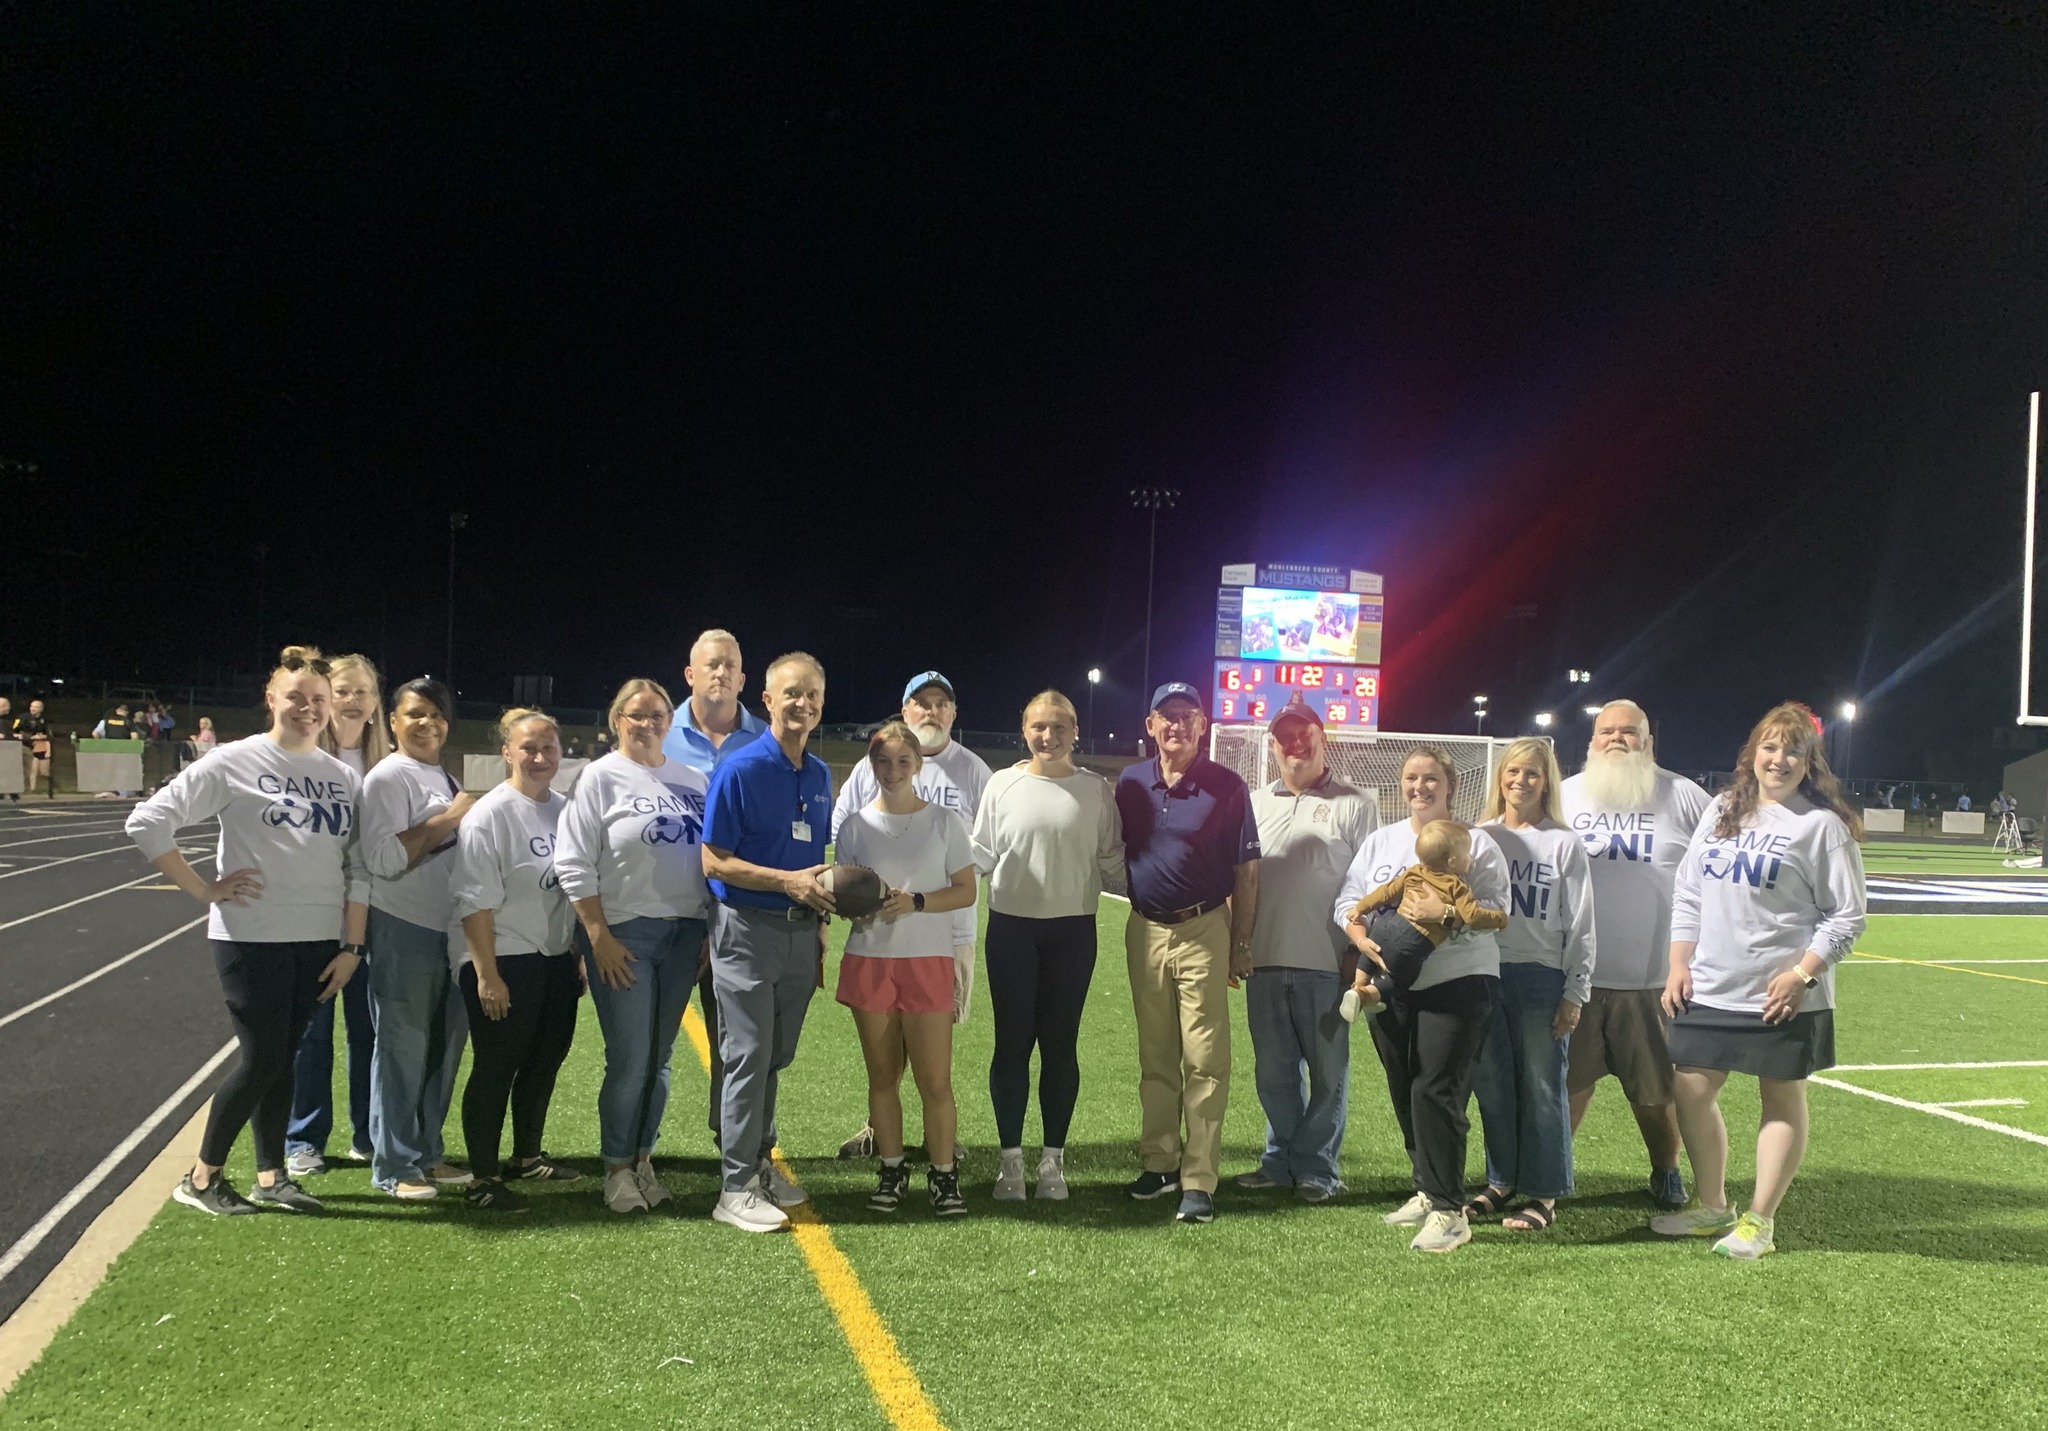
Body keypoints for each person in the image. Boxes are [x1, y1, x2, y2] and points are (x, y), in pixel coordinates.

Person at [124, 645, 368, 1215]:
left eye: (318, 701)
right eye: (295, 698)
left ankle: (270, 1175)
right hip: (250, 936)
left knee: (284, 1057)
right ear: (270, 698)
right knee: (261, 1059)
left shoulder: (339, 776)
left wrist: (352, 945)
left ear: (330, 707)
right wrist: (205, 889)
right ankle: (202, 1178)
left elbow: (358, 865)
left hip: (316, 940)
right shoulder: (233, 760)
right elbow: (148, 820)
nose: (307, 709)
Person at [1654, 703, 1867, 1259]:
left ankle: (1760, 1221)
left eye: (1792, 750)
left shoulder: (1821, 827)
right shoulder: (1723, 809)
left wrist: (1801, 974)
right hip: (1712, 982)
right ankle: (1711, 1205)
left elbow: (1847, 916)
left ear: (1808, 762)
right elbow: (1690, 891)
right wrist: (1679, 963)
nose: (1779, 759)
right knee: (1691, 1088)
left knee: (1781, 1096)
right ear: (1752, 754)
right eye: (1770, 747)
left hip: (1783, 991)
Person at [1332, 745, 1509, 1253]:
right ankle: (1427, 1189)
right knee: (1405, 1087)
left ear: (1450, 785)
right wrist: (1358, 934)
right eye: (1411, 778)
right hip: (1391, 983)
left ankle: (1451, 1210)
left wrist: (1444, 918)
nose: (1420, 787)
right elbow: (1352, 899)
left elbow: (1498, 909)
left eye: (1431, 778)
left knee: (1437, 1091)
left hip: (1458, 982)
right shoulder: (1382, 841)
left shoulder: (1477, 843)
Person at [555, 678, 712, 1214]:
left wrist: (708, 931)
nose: (648, 724)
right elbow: (572, 861)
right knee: (629, 1057)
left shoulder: (692, 778)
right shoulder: (598, 778)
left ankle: (643, 1160)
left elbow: (708, 861)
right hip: (625, 933)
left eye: (658, 715)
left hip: (684, 932)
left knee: (661, 1058)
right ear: (616, 719)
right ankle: (616, 1169)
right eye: (636, 715)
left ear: (672, 721)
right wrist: (597, 934)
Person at [1114, 681, 1260, 1226]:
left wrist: (1241, 942)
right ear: (1150, 726)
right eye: (1166, 716)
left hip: (1203, 928)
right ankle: (1160, 1162)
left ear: (1202, 726)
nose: (1176, 725)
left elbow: (1248, 871)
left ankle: (1199, 1178)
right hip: (1144, 929)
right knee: (1155, 1056)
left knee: (1205, 1060)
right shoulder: (1130, 782)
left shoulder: (1227, 785)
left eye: (1187, 716)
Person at [701, 652, 836, 1234]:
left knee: (776, 1053)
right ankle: (734, 1185)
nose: (800, 704)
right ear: (767, 700)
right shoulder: (740, 769)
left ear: (821, 703)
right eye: (790, 694)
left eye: (810, 695)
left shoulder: (822, 773)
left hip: (801, 934)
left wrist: (822, 929)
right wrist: (786, 883)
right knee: (748, 1053)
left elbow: (814, 860)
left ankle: (759, 1159)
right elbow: (713, 859)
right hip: (748, 930)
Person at [832, 670, 993, 1160]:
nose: (931, 711)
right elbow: (845, 830)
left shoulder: (973, 770)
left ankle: (937, 1139)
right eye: (920, 703)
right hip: (877, 933)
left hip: (947, 930)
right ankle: (880, 1132)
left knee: (934, 1045)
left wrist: (939, 877)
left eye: (941, 703)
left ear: (953, 713)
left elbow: (988, 844)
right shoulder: (870, 768)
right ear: (905, 711)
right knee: (883, 1048)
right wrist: (862, 894)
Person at [1558, 699, 1712, 1211]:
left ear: (1649, 741)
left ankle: (1666, 1170)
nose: (1617, 739)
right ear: (1592, 741)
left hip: (1652, 980)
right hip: (1575, 978)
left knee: (1654, 1093)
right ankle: (1549, 1178)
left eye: (1630, 731)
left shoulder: (1684, 796)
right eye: (1607, 732)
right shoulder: (1566, 795)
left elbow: (1718, 874)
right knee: (1568, 1089)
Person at [972, 690, 1124, 1202]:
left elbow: (1114, 863)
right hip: (1012, 929)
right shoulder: (1002, 785)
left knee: (1061, 1047)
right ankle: (1010, 1162)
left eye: (1059, 727)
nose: (1049, 736)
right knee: (1011, 1045)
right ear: (1024, 730)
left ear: (1075, 731)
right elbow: (978, 857)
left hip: (1073, 933)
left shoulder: (1096, 790)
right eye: (1039, 726)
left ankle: (1052, 1163)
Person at [1233, 700, 1378, 1204]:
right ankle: (1280, 1161)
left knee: (1327, 1074)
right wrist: (1238, 944)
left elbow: (1370, 888)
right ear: (1273, 746)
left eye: (1305, 734)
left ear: (1323, 737)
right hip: (1264, 959)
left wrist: (1355, 957)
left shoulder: (1356, 803)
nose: (1296, 745)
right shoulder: (1253, 802)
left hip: (1327, 961)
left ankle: (1317, 1168)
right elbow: (1241, 879)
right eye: (1285, 737)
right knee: (1273, 1073)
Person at [450, 709, 585, 1213]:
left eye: (549, 748)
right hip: (504, 959)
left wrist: (574, 953)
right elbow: (473, 902)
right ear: (506, 752)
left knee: (545, 1059)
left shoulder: (566, 810)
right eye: (528, 747)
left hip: (553, 959)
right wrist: (487, 975)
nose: (539, 757)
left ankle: (527, 1155)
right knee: (496, 1066)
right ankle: (481, 1178)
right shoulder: (491, 814)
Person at [1473, 737, 1597, 1232]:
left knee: (1543, 1086)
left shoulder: (1563, 843)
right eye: (1513, 771)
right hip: (1484, 972)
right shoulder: (1479, 837)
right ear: (1499, 777)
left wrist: (1575, 991)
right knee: (1494, 1084)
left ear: (1547, 783)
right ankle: (1501, 1179)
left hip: (1541, 975)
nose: (1520, 781)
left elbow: (1581, 922)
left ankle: (1545, 1193)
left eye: (1532, 774)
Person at [361, 677, 477, 1201]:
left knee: (443, 1050)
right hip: (404, 926)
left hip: (450, 932)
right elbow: (384, 859)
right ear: (392, 721)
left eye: (435, 714)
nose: (426, 723)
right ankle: (394, 1163)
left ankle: (427, 1152)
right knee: (402, 1048)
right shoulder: (389, 778)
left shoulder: (442, 776)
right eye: (414, 714)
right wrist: (451, 818)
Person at [658, 628, 767, 1154]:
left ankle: (736, 1147)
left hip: (742, 914)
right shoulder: (658, 733)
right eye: (711, 665)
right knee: (649, 1040)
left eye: (730, 666)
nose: (720, 673)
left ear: (743, 678)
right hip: (668, 912)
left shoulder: (766, 740)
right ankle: (637, 1148)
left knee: (740, 1041)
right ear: (690, 675)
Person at [285, 654, 389, 1176]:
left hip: (374, 917)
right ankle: (303, 1139)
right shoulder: (302, 760)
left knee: (369, 1031)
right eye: (342, 691)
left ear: (376, 704)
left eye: (362, 692)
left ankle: (369, 1134)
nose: (352, 701)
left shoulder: (388, 764)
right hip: (316, 915)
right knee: (310, 1031)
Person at [1340, 819, 1506, 1016]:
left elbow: (1385, 893)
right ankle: (1367, 995)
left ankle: (1357, 985)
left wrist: (1360, 908)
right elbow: (1472, 916)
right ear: (1453, 861)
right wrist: (1499, 918)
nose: (1471, 859)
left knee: (1369, 955)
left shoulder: (1414, 872)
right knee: (1402, 978)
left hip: (1385, 926)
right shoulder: (1457, 887)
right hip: (1413, 942)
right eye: (1467, 855)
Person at [14, 699, 54, 797]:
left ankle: (44, 788)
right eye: (32, 706)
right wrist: (26, 737)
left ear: (41, 709)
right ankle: (29, 788)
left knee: (44, 770)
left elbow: (48, 735)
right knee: (31, 768)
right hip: (26, 746)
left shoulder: (44, 720)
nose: (33, 709)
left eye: (36, 707)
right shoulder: (22, 717)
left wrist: (43, 738)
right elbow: (15, 731)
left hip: (39, 747)